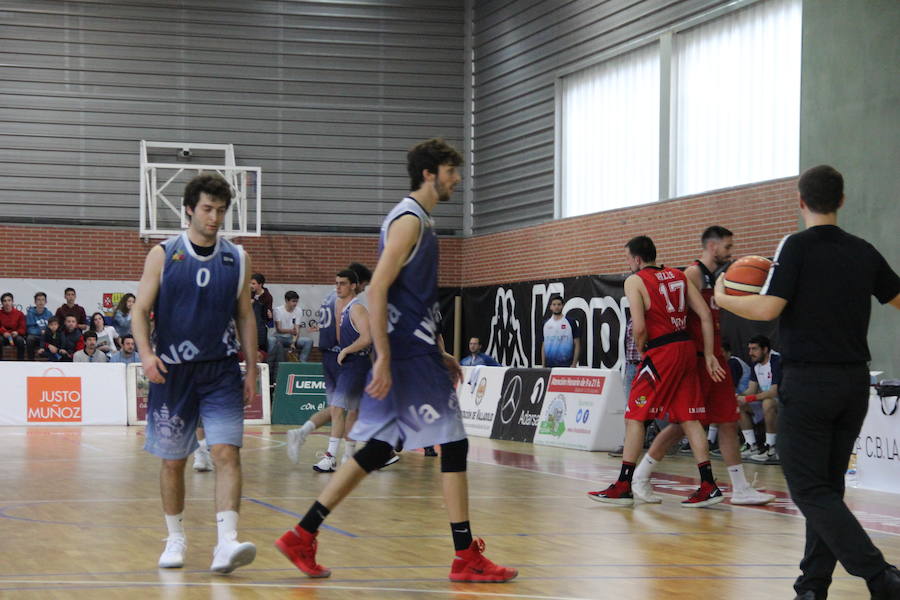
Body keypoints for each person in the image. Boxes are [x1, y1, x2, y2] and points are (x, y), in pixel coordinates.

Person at [276, 138, 517, 583]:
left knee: (378, 449)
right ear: (430, 173)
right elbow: (379, 288)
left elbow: (405, 300)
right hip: (405, 357)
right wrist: (385, 356)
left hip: (415, 351)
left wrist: (439, 351)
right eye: (450, 170)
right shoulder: (409, 221)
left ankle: (302, 533)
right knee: (455, 444)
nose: (457, 178)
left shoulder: (417, 220)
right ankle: (465, 555)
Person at [714, 165, 900, 600]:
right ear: (842, 200)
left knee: (809, 488)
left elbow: (767, 309)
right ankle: (812, 587)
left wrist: (723, 295)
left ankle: (881, 577)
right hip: (853, 384)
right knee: (828, 488)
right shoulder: (864, 251)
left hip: (809, 382)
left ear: (801, 201)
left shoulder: (795, 248)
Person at [131, 173, 258, 574]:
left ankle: (227, 542)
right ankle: (176, 538)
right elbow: (138, 310)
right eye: (207, 209)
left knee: (226, 452)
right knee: (173, 461)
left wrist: (252, 369)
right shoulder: (164, 254)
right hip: (173, 372)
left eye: (221, 210)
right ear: (189, 209)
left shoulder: (236, 257)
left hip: (221, 369)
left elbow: (244, 315)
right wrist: (147, 354)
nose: (214, 217)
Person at [620, 227, 774, 506]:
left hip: (714, 358)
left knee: (727, 419)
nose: (731, 252)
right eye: (727, 247)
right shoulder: (690, 274)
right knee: (683, 423)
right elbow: (683, 318)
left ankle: (738, 487)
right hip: (697, 359)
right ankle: (640, 476)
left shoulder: (721, 277)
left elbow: (708, 316)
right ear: (713, 247)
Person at [588, 235, 727, 507]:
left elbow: (639, 327)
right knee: (689, 418)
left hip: (660, 352)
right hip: (686, 349)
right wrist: (709, 354)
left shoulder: (635, 280)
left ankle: (624, 484)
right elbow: (705, 314)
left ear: (637, 259)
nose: (627, 264)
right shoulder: (678, 274)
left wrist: (642, 352)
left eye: (628, 258)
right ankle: (709, 484)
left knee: (636, 416)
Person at [287, 270, 370, 471]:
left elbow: (366, 337)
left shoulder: (347, 305)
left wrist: (346, 349)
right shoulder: (344, 303)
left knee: (344, 409)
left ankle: (337, 454)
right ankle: (339, 456)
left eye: (342, 283)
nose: (338, 286)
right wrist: (345, 350)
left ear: (352, 285)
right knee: (342, 409)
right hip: (340, 358)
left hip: (345, 358)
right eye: (337, 283)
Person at [739, 334, 782, 464]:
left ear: (765, 349)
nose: (750, 353)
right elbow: (751, 389)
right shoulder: (756, 363)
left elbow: (774, 391)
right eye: (749, 349)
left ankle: (772, 448)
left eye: (754, 349)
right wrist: (738, 397)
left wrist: (750, 398)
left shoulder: (776, 360)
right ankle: (751, 445)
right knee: (739, 404)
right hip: (765, 400)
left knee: (767, 403)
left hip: (785, 402)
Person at [609, 318, 641, 457]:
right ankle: (628, 443)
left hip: (644, 365)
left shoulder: (650, 315)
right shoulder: (632, 318)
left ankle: (668, 440)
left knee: (650, 408)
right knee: (630, 408)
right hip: (631, 366)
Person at [540, 295, 580, 367]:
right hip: (549, 365)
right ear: (550, 307)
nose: (556, 307)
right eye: (554, 304)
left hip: (567, 365)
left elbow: (577, 344)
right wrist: (543, 365)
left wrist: (574, 363)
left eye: (559, 304)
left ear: (563, 306)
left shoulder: (571, 322)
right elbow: (543, 345)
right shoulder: (545, 323)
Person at [25, 292, 54, 360]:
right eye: (38, 300)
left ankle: (52, 360)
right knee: (29, 338)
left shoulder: (49, 314)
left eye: (43, 300)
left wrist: (46, 332)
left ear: (46, 302)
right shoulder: (30, 313)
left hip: (46, 336)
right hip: (36, 337)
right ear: (35, 302)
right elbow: (30, 329)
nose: (41, 302)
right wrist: (41, 331)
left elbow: (53, 327)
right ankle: (31, 361)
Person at [0, 292, 26, 361]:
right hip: (3, 336)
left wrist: (17, 332)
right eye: (4, 301)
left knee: (20, 341)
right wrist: (3, 332)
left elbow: (23, 327)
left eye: (9, 300)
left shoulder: (19, 314)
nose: (7, 303)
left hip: (15, 335)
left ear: (12, 302)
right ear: (2, 303)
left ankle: (21, 362)